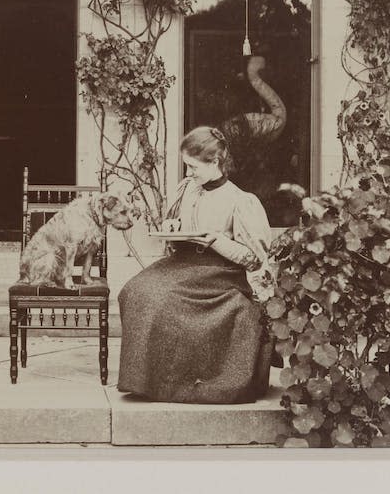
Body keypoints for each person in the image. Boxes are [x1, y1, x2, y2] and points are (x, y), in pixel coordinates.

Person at [117, 126, 274, 404]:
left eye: (193, 166)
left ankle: (173, 383)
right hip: (183, 263)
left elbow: (254, 258)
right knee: (134, 289)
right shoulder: (187, 189)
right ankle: (146, 380)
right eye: (186, 166)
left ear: (215, 162)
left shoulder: (240, 201)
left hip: (220, 273)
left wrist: (217, 241)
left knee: (160, 297)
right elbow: (176, 224)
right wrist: (171, 225)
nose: (188, 173)